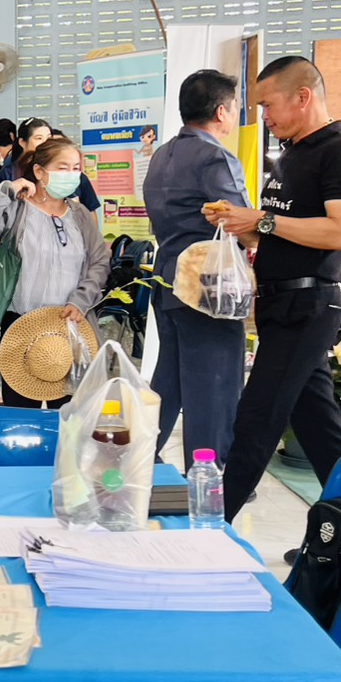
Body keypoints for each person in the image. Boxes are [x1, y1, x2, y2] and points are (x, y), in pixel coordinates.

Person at [206, 56, 341, 520]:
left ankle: (210, 528)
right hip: (281, 304)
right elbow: (281, 233)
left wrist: (261, 220)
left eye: (267, 105)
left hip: (308, 304)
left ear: (303, 97)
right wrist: (242, 225)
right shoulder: (292, 154)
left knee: (256, 421)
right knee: (319, 429)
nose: (263, 116)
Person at [142, 70, 250, 469]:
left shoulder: (161, 155)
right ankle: (211, 477)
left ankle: (137, 460)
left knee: (169, 381)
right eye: (236, 107)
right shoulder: (214, 157)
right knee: (213, 387)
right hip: (208, 285)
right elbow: (241, 222)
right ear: (222, 111)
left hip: (167, 278)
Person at [0, 137, 111, 409]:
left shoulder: (79, 214)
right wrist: (6, 191)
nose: (71, 175)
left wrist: (81, 299)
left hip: (69, 325)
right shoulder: (18, 209)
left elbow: (99, 261)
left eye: (76, 168)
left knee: (68, 416)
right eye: (63, 168)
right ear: (39, 172)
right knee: (21, 413)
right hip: (21, 326)